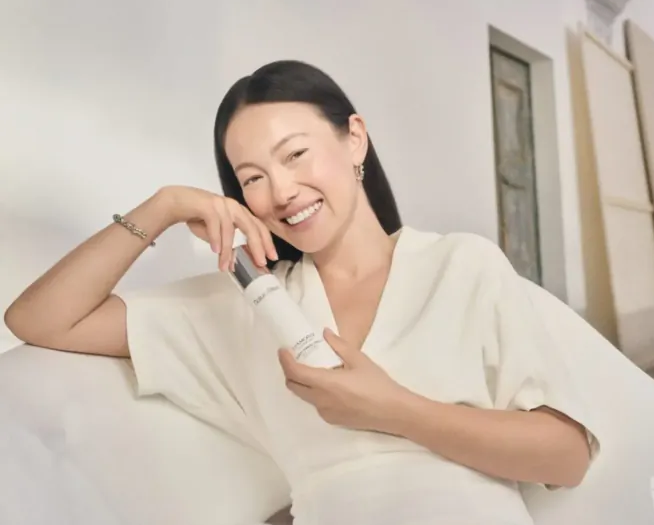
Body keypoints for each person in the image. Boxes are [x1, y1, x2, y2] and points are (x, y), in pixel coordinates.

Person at [5, 60, 599, 525]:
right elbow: (40, 319)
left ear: (354, 140)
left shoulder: (461, 265)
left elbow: (567, 457)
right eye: (253, 178)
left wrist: (395, 410)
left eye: (295, 154)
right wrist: (163, 206)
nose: (283, 191)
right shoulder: (251, 307)